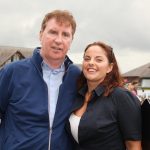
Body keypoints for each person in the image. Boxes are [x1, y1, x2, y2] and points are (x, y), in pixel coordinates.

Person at [0, 10, 81, 150]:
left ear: (71, 41)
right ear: (40, 34)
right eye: (53, 32)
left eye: (65, 34)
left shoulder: (76, 76)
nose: (59, 40)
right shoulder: (12, 72)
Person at [66, 41, 142, 150]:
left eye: (99, 60)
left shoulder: (121, 97)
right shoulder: (78, 95)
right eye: (87, 58)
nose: (91, 63)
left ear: (109, 67)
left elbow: (133, 146)